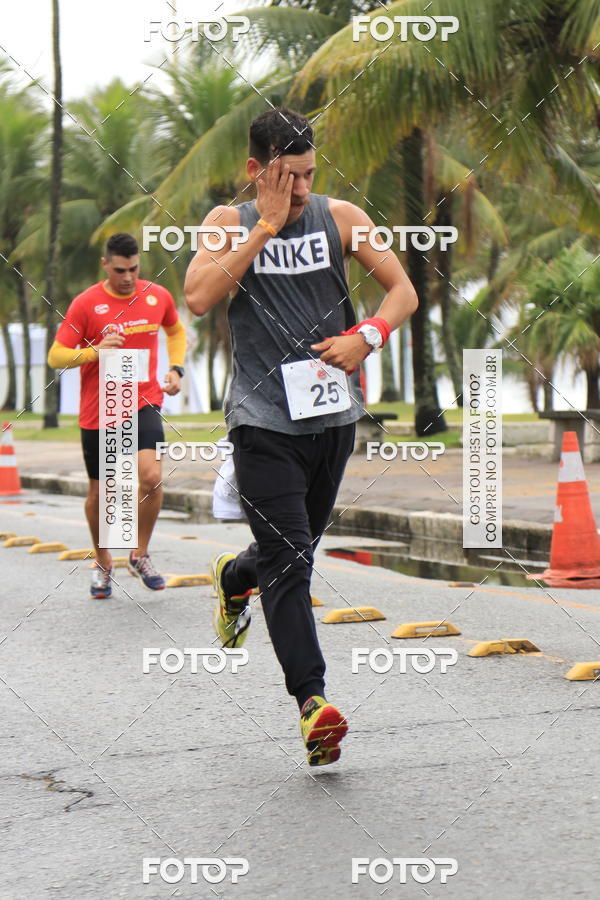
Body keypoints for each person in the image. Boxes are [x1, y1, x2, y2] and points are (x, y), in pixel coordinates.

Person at [184, 108, 418, 766]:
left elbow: (400, 292)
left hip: (333, 422)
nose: (303, 190)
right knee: (291, 563)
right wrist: (265, 226)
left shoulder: (341, 217)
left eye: (311, 174)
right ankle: (313, 705)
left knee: (293, 547)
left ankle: (234, 576)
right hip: (263, 424)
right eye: (290, 177)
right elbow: (200, 295)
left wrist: (364, 337)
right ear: (257, 171)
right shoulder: (227, 225)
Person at [48, 232, 187, 599]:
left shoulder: (157, 296)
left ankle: (139, 554)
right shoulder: (86, 304)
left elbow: (175, 330)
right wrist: (94, 352)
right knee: (102, 495)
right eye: (121, 270)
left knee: (152, 477)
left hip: (143, 400)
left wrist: (176, 369)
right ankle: (103, 559)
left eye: (134, 269)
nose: (128, 277)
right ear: (105, 264)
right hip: (101, 409)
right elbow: (56, 356)